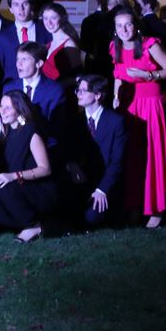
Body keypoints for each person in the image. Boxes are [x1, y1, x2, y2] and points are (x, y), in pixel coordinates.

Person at [110, 9, 166, 226]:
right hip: (128, 105)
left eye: (128, 24)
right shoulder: (114, 46)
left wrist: (148, 75)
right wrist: (115, 98)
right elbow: (117, 76)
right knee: (131, 155)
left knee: (152, 154)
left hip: (150, 104)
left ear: (136, 26)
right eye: (119, 26)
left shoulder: (150, 44)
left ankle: (156, 209)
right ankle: (135, 205)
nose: (124, 29)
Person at [0, 92, 58, 242]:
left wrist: (14, 176)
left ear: (20, 109)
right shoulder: (10, 130)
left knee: (3, 188)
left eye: (8, 108)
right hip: (21, 184)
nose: (2, 111)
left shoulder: (31, 131)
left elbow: (45, 169)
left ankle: (33, 226)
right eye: (1, 107)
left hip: (39, 188)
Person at [63, 75, 127, 228]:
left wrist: (102, 190)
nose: (78, 94)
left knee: (90, 218)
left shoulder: (116, 121)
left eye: (83, 91)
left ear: (98, 95)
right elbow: (69, 152)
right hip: (81, 182)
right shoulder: (75, 121)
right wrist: (73, 167)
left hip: (105, 183)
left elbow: (117, 161)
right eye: (77, 90)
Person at [40, 2, 84, 83]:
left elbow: (76, 77)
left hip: (60, 90)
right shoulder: (48, 44)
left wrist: (56, 88)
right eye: (45, 18)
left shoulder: (69, 44)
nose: (49, 23)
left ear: (62, 18)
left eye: (53, 18)